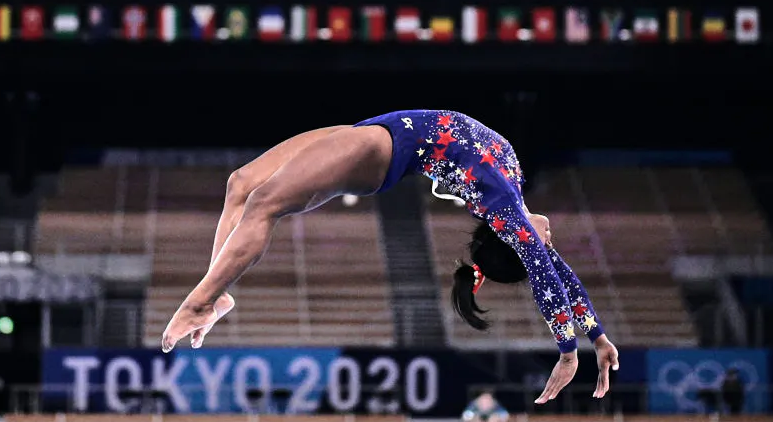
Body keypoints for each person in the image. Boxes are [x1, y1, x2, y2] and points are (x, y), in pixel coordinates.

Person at [160, 110, 620, 403]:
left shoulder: (503, 206)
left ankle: (202, 300)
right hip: (372, 132)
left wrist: (566, 350)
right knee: (242, 183)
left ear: (511, 241)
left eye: (543, 244)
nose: (551, 242)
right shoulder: (511, 203)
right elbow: (559, 274)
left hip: (379, 152)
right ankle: (215, 294)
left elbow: (544, 272)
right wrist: (596, 336)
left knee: (265, 203)